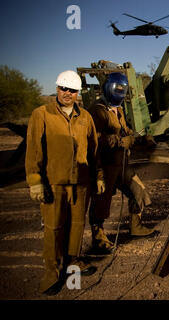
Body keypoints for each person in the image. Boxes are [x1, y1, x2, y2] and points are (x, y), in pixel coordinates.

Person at [25, 70, 103, 295]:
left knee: (77, 225)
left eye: (72, 90)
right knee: (53, 228)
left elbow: (93, 151)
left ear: (78, 92)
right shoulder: (42, 114)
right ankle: (52, 272)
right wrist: (35, 181)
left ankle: (73, 262)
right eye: (63, 88)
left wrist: (98, 176)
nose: (67, 93)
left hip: (80, 182)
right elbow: (33, 150)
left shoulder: (86, 117)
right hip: (54, 182)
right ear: (57, 88)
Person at [88, 72, 154, 254]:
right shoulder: (97, 110)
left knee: (137, 189)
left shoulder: (118, 109)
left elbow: (125, 130)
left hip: (121, 162)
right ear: (109, 88)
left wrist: (138, 138)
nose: (120, 92)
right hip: (105, 163)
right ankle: (98, 238)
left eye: (123, 89)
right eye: (118, 88)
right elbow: (93, 139)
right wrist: (118, 141)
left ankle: (136, 226)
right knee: (101, 200)